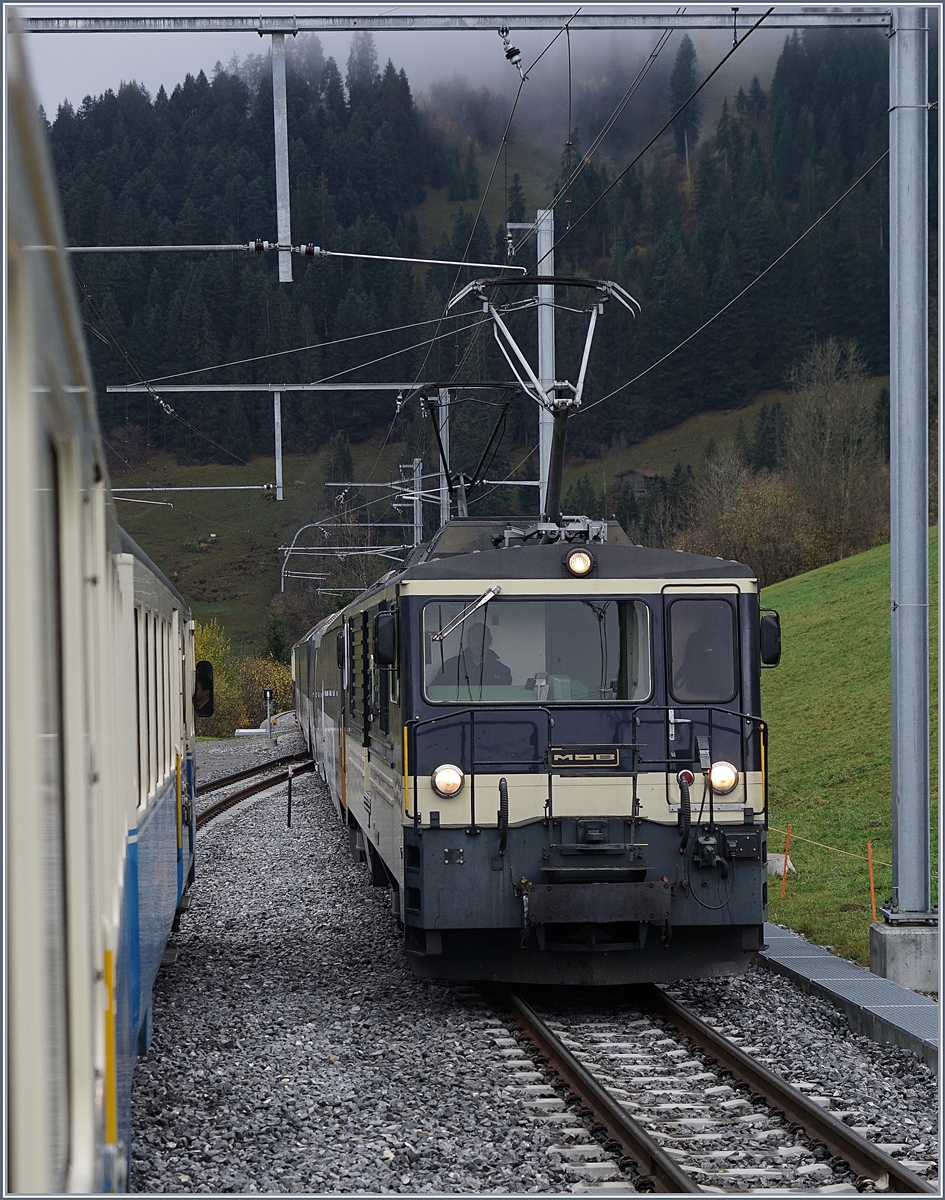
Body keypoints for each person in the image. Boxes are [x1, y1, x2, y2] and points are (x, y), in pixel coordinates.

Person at [432, 622, 512, 688]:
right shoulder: (451, 666)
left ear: (490, 641)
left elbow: (504, 698)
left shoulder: (502, 670)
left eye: (482, 639)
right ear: (468, 641)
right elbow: (436, 693)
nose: (478, 643)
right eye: (474, 639)